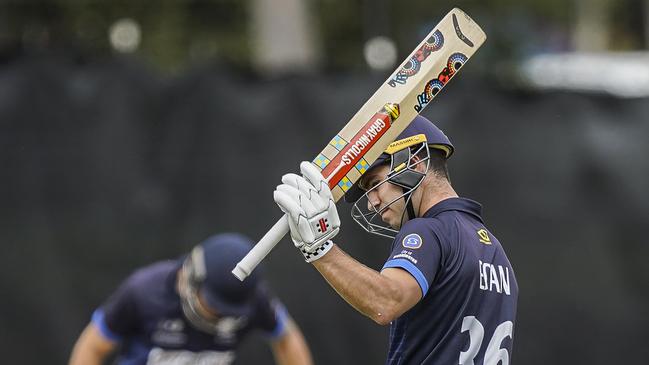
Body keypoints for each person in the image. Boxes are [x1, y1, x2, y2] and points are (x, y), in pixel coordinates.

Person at [273, 115, 518, 364]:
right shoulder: (496, 252)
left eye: (375, 184)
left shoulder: (427, 231)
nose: (372, 202)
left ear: (415, 164)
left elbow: (386, 302)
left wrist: (320, 249)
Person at [69, 233, 313, 365]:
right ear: (192, 279)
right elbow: (93, 346)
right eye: (217, 306)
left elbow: (286, 337)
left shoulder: (250, 298)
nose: (223, 317)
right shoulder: (143, 290)